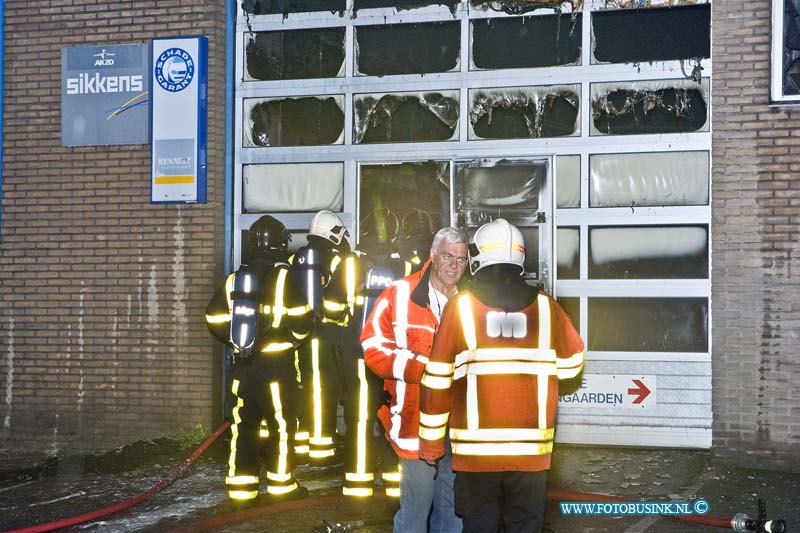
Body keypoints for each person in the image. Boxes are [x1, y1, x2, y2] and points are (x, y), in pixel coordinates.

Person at [418, 218, 585, 532]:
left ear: (478, 257)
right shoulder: (548, 308)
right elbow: (572, 367)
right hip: (530, 455)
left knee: (479, 525)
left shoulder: (461, 308)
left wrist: (430, 445)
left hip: (475, 456)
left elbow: (437, 379)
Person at [361, 226, 469, 532]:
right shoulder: (399, 294)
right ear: (433, 256)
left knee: (453, 511)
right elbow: (372, 345)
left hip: (458, 426)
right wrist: (421, 368)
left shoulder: (471, 303)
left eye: (461, 259)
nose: (454, 265)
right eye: (448, 256)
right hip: (416, 425)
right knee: (414, 511)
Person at [204, 215, 312, 504]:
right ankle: (281, 486)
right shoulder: (286, 277)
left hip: (243, 367)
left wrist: (238, 339)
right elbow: (303, 321)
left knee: (244, 426)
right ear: (280, 243)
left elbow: (213, 317)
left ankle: (242, 489)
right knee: (282, 425)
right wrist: (291, 338)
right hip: (277, 368)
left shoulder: (235, 280)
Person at [290, 210, 352, 462]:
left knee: (306, 387)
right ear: (335, 234)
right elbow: (337, 304)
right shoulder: (337, 260)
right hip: (327, 335)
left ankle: (303, 444)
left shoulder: (297, 257)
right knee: (322, 389)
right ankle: (321, 449)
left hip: (301, 334)